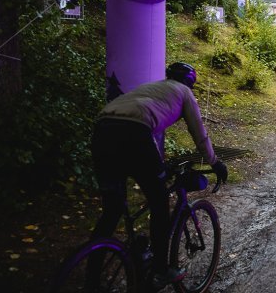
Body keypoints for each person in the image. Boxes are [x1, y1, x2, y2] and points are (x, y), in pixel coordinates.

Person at [90, 62, 228, 289]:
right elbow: (199, 134)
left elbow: (146, 121)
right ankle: (161, 271)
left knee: (112, 211)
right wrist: (215, 162)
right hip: (134, 134)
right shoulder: (184, 93)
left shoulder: (151, 88)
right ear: (190, 82)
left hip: (102, 131)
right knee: (159, 201)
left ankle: (92, 276)